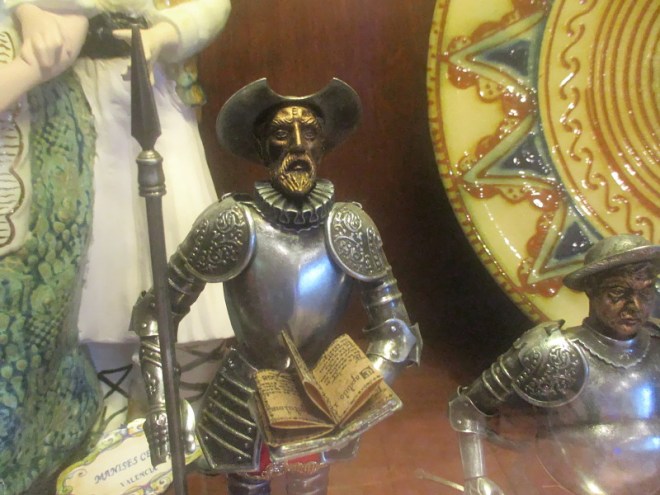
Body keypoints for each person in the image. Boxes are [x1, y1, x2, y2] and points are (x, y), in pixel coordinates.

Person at [131, 78, 422, 495]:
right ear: (262, 145)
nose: (298, 145)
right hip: (246, 394)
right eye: (282, 133)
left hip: (324, 395)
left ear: (324, 144)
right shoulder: (232, 222)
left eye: (311, 133)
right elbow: (157, 312)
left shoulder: (349, 225)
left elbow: (397, 331)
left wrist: (356, 392)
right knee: (248, 483)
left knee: (310, 484)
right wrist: (163, 403)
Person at [5, 0, 235, 429]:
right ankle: (109, 422)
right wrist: (25, 11)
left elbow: (210, 6)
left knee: (177, 231)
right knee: (102, 262)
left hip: (149, 90)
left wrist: (162, 35)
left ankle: (182, 412)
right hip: (74, 98)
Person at [449, 234, 659, 495]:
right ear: (591, 288)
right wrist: (476, 478)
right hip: (567, 484)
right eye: (618, 292)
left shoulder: (656, 347)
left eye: (645, 292)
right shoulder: (550, 349)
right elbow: (468, 408)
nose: (635, 306)